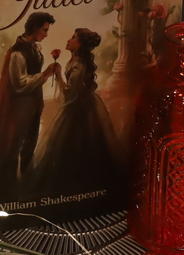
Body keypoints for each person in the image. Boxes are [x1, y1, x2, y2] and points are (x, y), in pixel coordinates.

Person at [0, 12, 58, 203]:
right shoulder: (17, 53)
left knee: (29, 147)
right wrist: (44, 75)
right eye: (44, 29)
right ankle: (8, 194)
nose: (46, 34)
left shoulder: (33, 48)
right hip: (20, 109)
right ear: (34, 28)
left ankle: (27, 191)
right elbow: (19, 84)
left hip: (34, 106)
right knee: (13, 149)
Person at [26, 28, 124, 197]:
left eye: (73, 38)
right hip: (84, 106)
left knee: (77, 147)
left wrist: (57, 76)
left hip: (81, 110)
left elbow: (70, 93)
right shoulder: (76, 60)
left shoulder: (78, 65)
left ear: (80, 44)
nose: (69, 40)